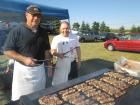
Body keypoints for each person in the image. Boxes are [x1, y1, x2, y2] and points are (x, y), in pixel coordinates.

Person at [3, 5, 52, 101]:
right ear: (26, 15)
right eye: (33, 15)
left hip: (40, 71)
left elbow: (46, 51)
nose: (36, 18)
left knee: (39, 98)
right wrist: (24, 59)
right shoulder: (17, 30)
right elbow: (7, 50)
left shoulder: (43, 32)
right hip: (23, 72)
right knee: (21, 100)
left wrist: (49, 65)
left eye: (38, 16)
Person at [51, 21, 81, 85]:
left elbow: (78, 49)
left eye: (67, 28)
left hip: (72, 62)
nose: (65, 30)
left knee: (73, 82)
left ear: (69, 28)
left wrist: (79, 61)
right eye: (63, 28)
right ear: (60, 29)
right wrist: (58, 54)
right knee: (60, 83)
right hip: (61, 63)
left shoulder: (74, 37)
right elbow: (52, 51)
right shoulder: (56, 38)